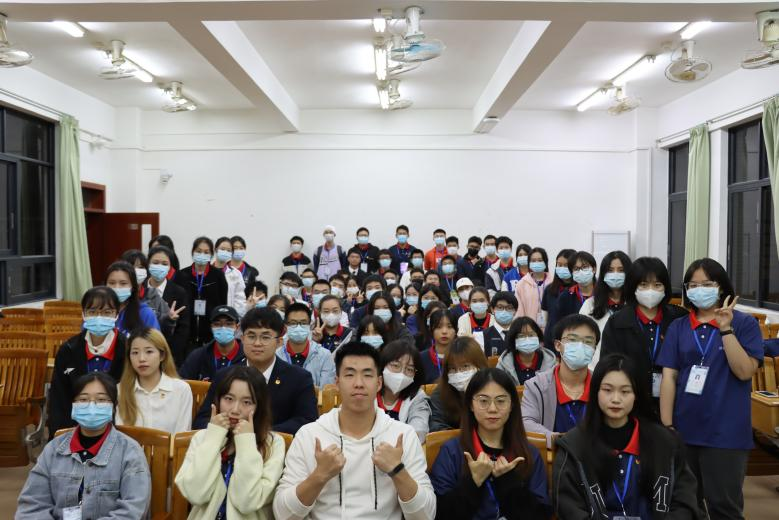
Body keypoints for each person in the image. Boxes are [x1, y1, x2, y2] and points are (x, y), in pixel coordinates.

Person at [273, 341, 436, 520]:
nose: (358, 383)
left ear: (379, 383)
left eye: (367, 375)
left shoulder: (403, 436)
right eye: (350, 375)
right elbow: (283, 514)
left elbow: (426, 515)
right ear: (337, 382)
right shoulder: (309, 435)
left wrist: (398, 471)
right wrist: (319, 475)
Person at [658, 258, 762, 520]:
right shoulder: (679, 327)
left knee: (724, 507)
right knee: (687, 505)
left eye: (706, 284)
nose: (699, 290)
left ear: (721, 286)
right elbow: (669, 377)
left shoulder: (744, 324)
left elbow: (744, 371)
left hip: (726, 434)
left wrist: (726, 329)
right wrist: (667, 426)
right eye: (693, 285)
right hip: (685, 430)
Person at [553, 354, 699, 519]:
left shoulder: (665, 443)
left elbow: (684, 503)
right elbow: (569, 507)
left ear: (636, 395)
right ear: (595, 392)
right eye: (607, 390)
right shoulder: (575, 446)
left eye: (625, 391)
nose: (616, 399)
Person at [17, 372, 151, 519]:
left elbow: (133, 510)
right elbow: (31, 505)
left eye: (101, 400)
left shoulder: (130, 452)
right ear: (73, 405)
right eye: (83, 399)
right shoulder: (53, 449)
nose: (91, 406)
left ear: (114, 407)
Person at [431, 368, 552, 520]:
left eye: (501, 401)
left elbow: (541, 515)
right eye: (483, 401)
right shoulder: (452, 451)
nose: (493, 409)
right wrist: (472, 483)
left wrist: (509, 483)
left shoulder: (529, 453)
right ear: (471, 405)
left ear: (512, 405)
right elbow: (439, 514)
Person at [175, 365, 285, 520]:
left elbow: (246, 503)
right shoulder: (202, 438)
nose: (235, 409)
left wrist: (246, 442)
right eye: (228, 399)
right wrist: (213, 438)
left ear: (259, 407)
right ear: (218, 400)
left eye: (247, 402)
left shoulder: (273, 444)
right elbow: (196, 495)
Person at [194, 308, 318, 434]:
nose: (257, 343)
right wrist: (220, 427)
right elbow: (201, 420)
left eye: (265, 337)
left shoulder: (299, 378)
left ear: (279, 342)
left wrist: (259, 433)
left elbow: (307, 421)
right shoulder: (224, 375)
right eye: (251, 336)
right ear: (242, 339)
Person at [601, 257, 688, 403]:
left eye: (657, 285)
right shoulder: (617, 322)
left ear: (665, 287)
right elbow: (608, 366)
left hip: (674, 400)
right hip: (631, 401)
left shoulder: (679, 318)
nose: (650, 290)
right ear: (633, 287)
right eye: (643, 285)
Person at [48, 287, 127, 436]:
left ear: (117, 314)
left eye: (107, 312)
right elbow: (59, 398)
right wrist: (59, 435)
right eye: (92, 312)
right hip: (74, 429)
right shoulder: (68, 349)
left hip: (118, 431)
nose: (99, 317)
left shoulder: (128, 349)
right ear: (83, 314)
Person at [522, 314, 600, 443]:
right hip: (551, 452)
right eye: (573, 340)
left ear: (594, 349)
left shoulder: (602, 386)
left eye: (588, 342)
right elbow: (526, 422)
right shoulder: (536, 385)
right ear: (558, 345)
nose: (580, 346)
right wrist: (559, 440)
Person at [117, 327, 192, 433]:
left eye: (149, 351)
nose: (141, 359)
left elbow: (181, 436)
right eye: (135, 352)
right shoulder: (120, 390)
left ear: (162, 355)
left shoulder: (181, 389)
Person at [174, 236, 229, 348]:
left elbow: (223, 304)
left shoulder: (218, 276)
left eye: (206, 252)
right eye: (198, 251)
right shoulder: (181, 275)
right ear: (192, 252)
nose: (202, 255)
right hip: (186, 335)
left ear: (211, 254)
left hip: (210, 335)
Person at [579, 250, 632, 368]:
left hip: (629, 368)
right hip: (596, 368)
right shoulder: (590, 305)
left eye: (621, 270)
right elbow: (581, 339)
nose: (615, 274)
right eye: (610, 270)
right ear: (603, 273)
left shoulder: (635, 305)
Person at [429, 336, 489, 432]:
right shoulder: (440, 393)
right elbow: (436, 425)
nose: (458, 373)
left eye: (465, 366)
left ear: (479, 366)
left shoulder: (493, 387)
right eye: (452, 368)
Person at [378, 340, 431, 443]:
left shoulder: (418, 397)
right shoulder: (368, 391)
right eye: (395, 366)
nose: (401, 374)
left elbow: (419, 431)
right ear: (383, 365)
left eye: (409, 369)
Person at [146, 245, 191, 365]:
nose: (159, 266)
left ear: (170, 267)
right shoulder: (139, 290)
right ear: (148, 264)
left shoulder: (179, 292)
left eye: (164, 264)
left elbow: (183, 329)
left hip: (169, 355)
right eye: (155, 262)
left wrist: (168, 354)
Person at [179, 305, 246, 382]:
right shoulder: (198, 356)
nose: (223, 328)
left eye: (228, 324)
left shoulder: (246, 356)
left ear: (237, 327)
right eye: (217, 324)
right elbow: (182, 383)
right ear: (211, 327)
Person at [277, 302, 336, 387]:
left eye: (303, 323)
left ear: (310, 325)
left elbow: (325, 390)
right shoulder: (276, 356)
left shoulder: (324, 356)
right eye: (293, 323)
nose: (298, 327)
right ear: (286, 326)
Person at [545, 250, 595, 348]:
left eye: (584, 267)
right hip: (572, 347)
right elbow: (556, 326)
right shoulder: (565, 296)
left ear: (594, 269)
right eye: (576, 269)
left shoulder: (603, 295)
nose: (580, 271)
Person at [106, 261, 161, 336]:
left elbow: (155, 341)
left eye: (123, 283)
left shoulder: (145, 313)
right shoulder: (97, 312)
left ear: (133, 287)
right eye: (112, 283)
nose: (117, 287)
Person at [497, 317, 557, 386]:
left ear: (538, 336)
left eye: (531, 335)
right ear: (513, 340)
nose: (527, 339)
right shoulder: (504, 365)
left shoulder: (551, 363)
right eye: (521, 336)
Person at [121, 249, 170, 324]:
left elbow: (165, 321)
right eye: (131, 266)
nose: (136, 270)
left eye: (140, 267)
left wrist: (170, 319)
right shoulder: (119, 294)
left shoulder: (153, 295)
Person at [541, 248, 576, 347]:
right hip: (551, 340)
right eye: (559, 265)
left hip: (572, 341)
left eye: (566, 265)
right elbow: (545, 317)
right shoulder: (550, 289)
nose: (562, 268)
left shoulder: (578, 291)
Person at [514, 247, 554, 328]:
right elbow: (519, 311)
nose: (536, 263)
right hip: (529, 329)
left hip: (551, 329)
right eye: (533, 261)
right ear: (529, 263)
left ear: (545, 262)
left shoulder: (553, 283)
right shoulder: (521, 284)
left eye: (540, 260)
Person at [420, 309, 457, 384]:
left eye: (449, 327)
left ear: (456, 330)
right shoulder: (421, 358)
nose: (444, 331)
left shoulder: (463, 356)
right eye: (439, 327)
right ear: (431, 330)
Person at [213, 236, 248, 315]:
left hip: (229, 316)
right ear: (216, 249)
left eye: (228, 250)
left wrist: (237, 317)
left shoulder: (236, 274)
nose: (225, 252)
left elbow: (239, 299)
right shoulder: (207, 271)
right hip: (210, 315)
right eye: (222, 249)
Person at [482, 291, 517, 358]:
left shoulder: (520, 334)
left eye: (509, 308)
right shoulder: (482, 335)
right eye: (500, 307)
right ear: (492, 309)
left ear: (515, 311)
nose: (504, 311)